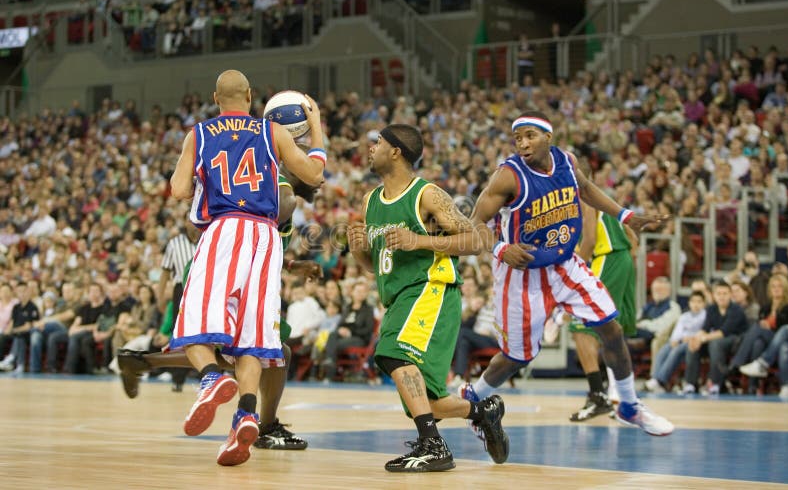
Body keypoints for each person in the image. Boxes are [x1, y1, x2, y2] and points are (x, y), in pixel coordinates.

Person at [461, 110, 674, 436]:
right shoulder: (507, 176)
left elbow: (586, 189)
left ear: (549, 136)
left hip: (563, 264)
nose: (523, 143)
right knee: (516, 358)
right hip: (521, 273)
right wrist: (501, 248)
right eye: (517, 138)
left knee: (611, 329)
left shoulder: (566, 161)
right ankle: (475, 397)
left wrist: (625, 215)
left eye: (530, 135)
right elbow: (474, 223)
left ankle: (629, 405)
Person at [168, 70, 325, 466]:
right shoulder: (273, 133)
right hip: (266, 237)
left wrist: (190, 167)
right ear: (251, 96)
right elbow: (314, 175)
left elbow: (179, 190)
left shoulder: (198, 134)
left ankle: (211, 377)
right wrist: (317, 127)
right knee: (253, 336)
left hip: (223, 230)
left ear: (215, 98)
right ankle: (246, 414)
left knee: (193, 326)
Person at [117, 156, 324, 452]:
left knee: (254, 352)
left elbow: (254, 245)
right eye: (315, 170)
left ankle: (140, 362)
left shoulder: (273, 190)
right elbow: (250, 238)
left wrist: (291, 264)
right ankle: (263, 424)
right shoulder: (283, 192)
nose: (321, 178)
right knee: (262, 351)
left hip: (224, 265)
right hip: (222, 268)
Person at [346, 123, 509, 473]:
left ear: (396, 151)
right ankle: (484, 412)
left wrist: (419, 241)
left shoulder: (427, 195)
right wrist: (358, 249)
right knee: (429, 401)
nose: (370, 148)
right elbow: (374, 267)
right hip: (397, 297)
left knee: (392, 354)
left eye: (377, 143)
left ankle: (432, 445)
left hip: (430, 289)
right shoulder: (370, 200)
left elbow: (475, 241)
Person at [567, 197, 637, 422]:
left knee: (580, 326)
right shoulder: (606, 200)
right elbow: (633, 238)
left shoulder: (583, 199)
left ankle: (598, 395)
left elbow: (589, 241)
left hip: (606, 259)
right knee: (612, 331)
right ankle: (622, 399)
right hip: (624, 259)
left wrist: (573, 273)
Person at [681, 281, 748, 395]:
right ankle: (690, 384)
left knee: (715, 343)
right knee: (693, 345)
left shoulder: (737, 310)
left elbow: (724, 331)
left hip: (736, 341)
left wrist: (702, 339)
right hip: (716, 340)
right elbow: (705, 328)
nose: (721, 296)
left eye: (725, 293)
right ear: (714, 295)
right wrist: (696, 338)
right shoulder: (711, 309)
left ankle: (715, 383)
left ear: (730, 295)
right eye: (719, 293)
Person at [644, 291, 707, 393]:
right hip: (681, 341)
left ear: (704, 303)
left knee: (676, 350)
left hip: (695, 343)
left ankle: (661, 380)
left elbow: (704, 331)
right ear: (689, 303)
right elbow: (677, 332)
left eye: (699, 302)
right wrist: (675, 340)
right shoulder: (684, 316)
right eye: (693, 301)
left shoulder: (706, 316)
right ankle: (654, 378)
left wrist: (686, 338)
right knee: (664, 349)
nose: (696, 304)